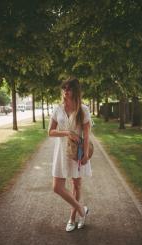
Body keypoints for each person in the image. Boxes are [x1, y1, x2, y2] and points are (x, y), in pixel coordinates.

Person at [48, 77, 92, 232]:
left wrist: (85, 154)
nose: (65, 91)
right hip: (61, 152)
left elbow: (87, 135)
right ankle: (82, 209)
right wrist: (67, 132)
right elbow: (50, 132)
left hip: (77, 152)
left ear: (75, 91)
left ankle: (72, 218)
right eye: (64, 88)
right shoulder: (57, 109)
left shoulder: (84, 109)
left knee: (76, 184)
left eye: (69, 88)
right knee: (57, 187)